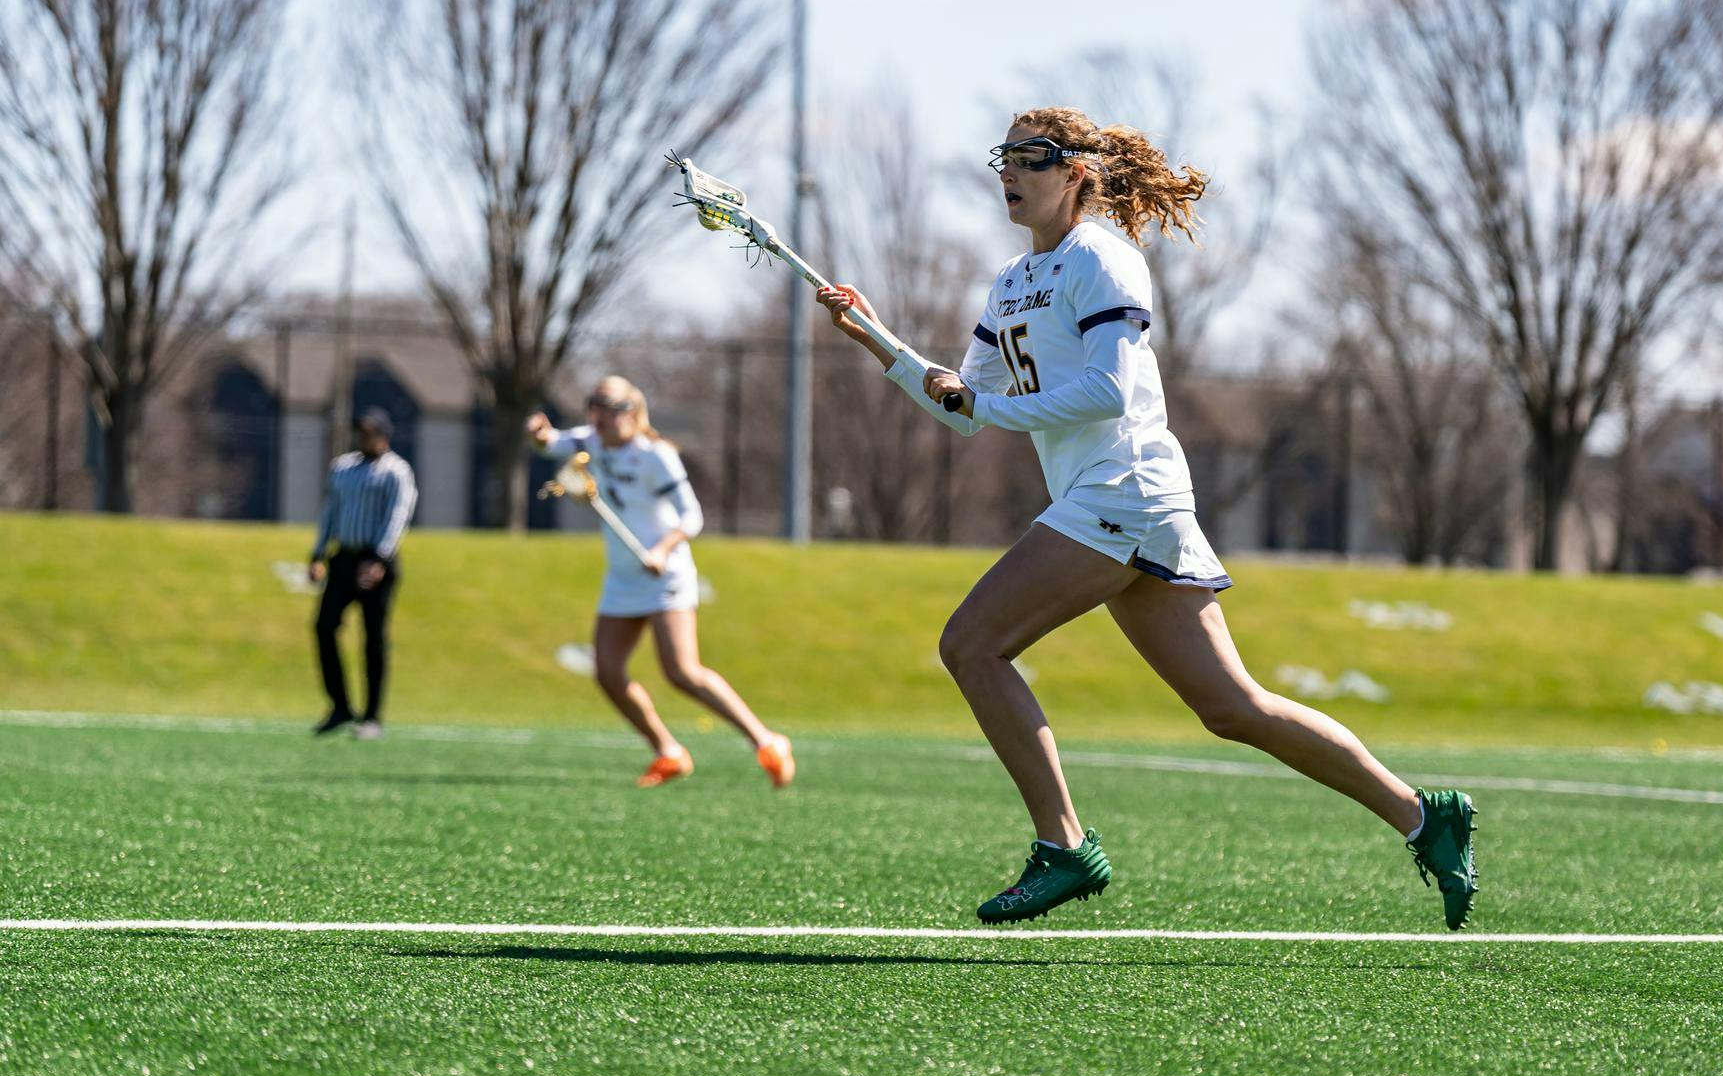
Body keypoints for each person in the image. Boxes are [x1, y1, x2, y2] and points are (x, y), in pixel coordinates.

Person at [815, 109, 1480, 928]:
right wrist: (874, 338)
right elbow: (963, 406)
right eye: (1006, 156)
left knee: (971, 644)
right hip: (1117, 499)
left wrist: (983, 398)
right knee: (1233, 707)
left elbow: (1108, 391)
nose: (1011, 172)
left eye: (1033, 157)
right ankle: (1425, 814)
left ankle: (1062, 846)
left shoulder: (1102, 256)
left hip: (1122, 489)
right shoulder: (1012, 281)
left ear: (1078, 174)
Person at [526, 376, 794, 790]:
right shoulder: (590, 440)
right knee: (608, 672)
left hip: (664, 574)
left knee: (682, 672)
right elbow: (550, 444)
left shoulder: (657, 456)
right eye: (593, 407)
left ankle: (766, 740)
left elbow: (692, 517)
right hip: (622, 577)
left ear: (631, 413)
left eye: (608, 409)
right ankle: (668, 752)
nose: (598, 417)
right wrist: (539, 434)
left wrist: (663, 549)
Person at [309, 408, 418, 740]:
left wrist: (380, 558)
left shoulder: (396, 471)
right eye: (360, 432)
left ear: (383, 435)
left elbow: (398, 515)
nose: (363, 438)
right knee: (323, 626)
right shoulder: (342, 468)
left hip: (376, 562)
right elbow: (331, 510)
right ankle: (340, 705)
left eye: (370, 432)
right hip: (344, 558)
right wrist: (318, 553)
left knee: (374, 639)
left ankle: (372, 716)